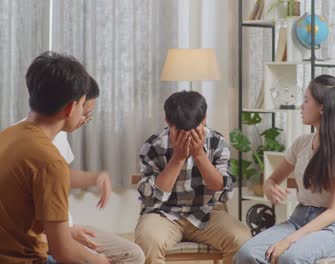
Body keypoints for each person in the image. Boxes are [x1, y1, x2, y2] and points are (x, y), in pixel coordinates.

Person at [234, 74, 335, 264]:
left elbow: (334, 212)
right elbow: (273, 179)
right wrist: (270, 186)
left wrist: (289, 240)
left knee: (291, 258)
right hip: (299, 219)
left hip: (334, 227)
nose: (301, 106)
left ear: (322, 108)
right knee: (246, 254)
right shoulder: (302, 143)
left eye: (306, 100)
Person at [0, 51, 109, 263]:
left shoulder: (8, 135)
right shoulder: (49, 160)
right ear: (70, 108)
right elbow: (64, 252)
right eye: (82, 104)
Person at [135, 91, 251, 264]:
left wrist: (199, 155)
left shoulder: (216, 142)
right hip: (162, 213)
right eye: (180, 132)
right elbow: (149, 197)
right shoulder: (153, 145)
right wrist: (178, 158)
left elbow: (223, 192)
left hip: (207, 212)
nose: (188, 137)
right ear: (167, 122)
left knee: (242, 239)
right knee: (148, 240)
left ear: (204, 119)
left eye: (194, 131)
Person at [43, 77, 145, 263]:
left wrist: (95, 177)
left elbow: (59, 176)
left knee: (133, 253)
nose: (85, 120)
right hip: (53, 236)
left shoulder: (58, 134)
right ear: (71, 107)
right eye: (85, 112)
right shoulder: (35, 147)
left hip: (66, 228)